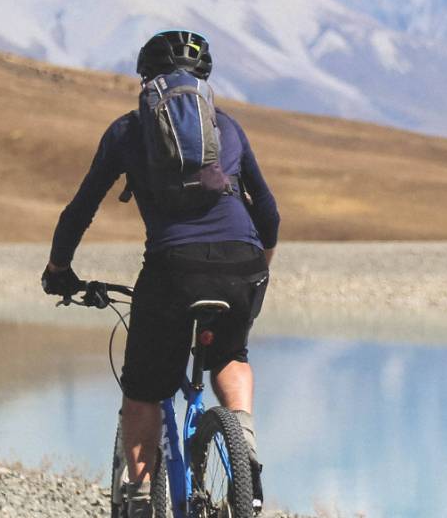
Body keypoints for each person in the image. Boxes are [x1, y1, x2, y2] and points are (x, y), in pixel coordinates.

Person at [41, 29, 280, 516]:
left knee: (144, 389)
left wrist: (59, 268)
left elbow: (81, 208)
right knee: (230, 354)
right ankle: (243, 442)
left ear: (146, 78)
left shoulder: (128, 131)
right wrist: (256, 269)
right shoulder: (229, 128)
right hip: (245, 263)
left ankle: (142, 492)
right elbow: (269, 213)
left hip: (172, 271)